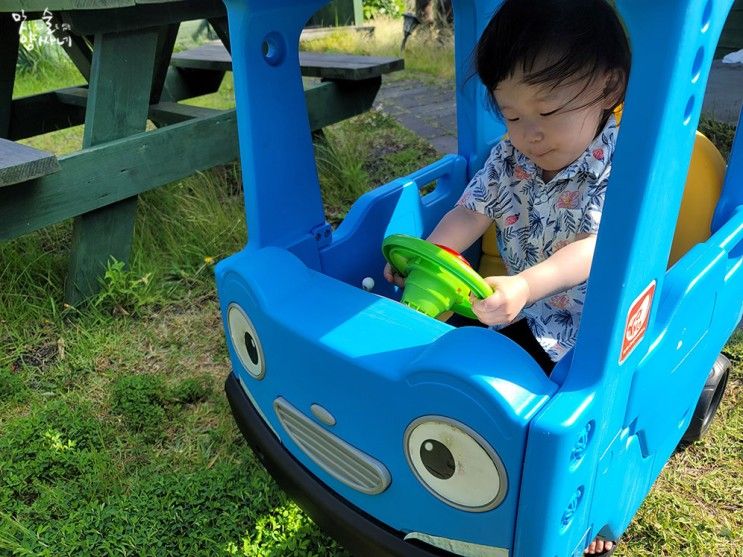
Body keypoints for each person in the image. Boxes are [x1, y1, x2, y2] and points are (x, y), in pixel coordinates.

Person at [384, 1, 630, 553]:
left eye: (549, 112)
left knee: (574, 412)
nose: (531, 134)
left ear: (609, 86)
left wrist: (526, 284)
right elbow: (469, 213)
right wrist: (430, 254)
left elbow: (597, 249)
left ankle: (582, 508)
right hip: (531, 313)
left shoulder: (621, 165)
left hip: (599, 326)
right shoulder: (508, 159)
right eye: (512, 115)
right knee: (467, 361)